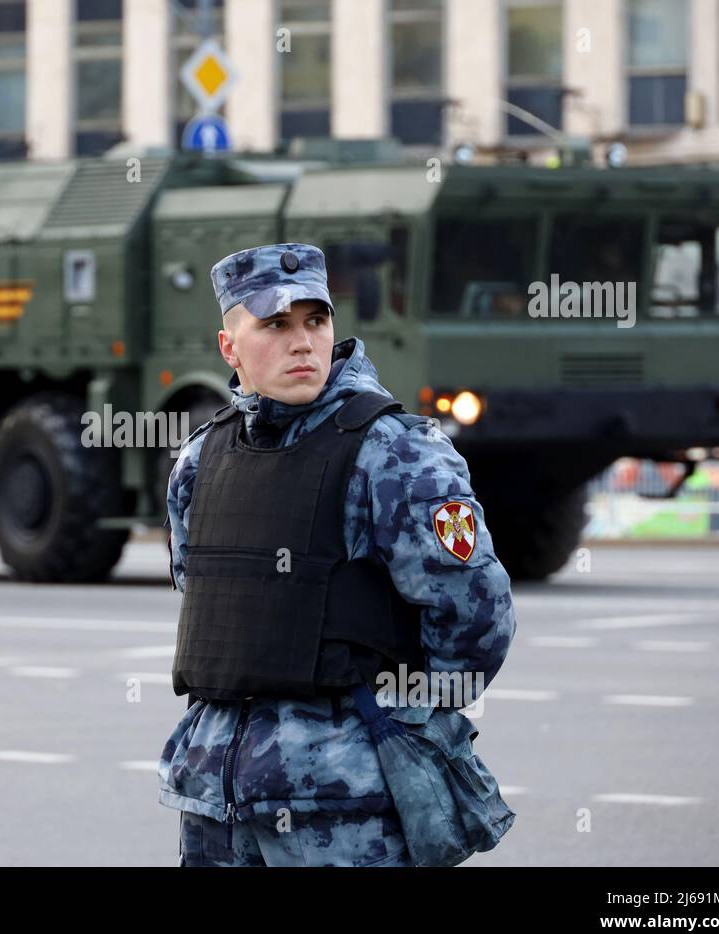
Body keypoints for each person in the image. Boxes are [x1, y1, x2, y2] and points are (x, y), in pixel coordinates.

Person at [158, 242, 516, 866]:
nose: (302, 342)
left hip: (346, 808)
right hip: (216, 802)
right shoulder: (199, 459)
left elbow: (474, 616)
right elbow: (200, 587)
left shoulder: (396, 453)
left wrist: (396, 725)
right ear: (229, 347)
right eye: (275, 324)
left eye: (315, 321)